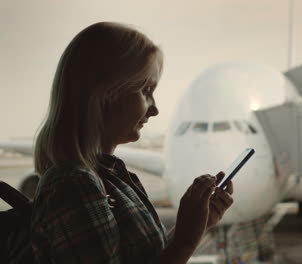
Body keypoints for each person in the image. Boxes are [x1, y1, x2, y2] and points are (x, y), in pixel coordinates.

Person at [30, 21, 234, 263]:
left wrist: (193, 227)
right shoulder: (74, 185)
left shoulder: (103, 177)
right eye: (146, 90)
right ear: (105, 93)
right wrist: (185, 241)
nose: (155, 109)